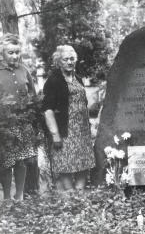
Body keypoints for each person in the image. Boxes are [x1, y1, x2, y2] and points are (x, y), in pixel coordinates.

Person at [0, 34, 39, 200]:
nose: (15, 56)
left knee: (21, 161)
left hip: (23, 122)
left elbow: (33, 95)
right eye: (10, 52)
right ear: (2, 53)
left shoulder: (24, 69)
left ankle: (19, 197)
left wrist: (34, 120)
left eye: (17, 52)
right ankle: (6, 198)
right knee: (6, 163)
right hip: (3, 124)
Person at [42, 45, 95, 190]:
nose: (70, 62)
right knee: (65, 166)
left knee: (83, 165)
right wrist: (55, 135)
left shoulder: (77, 78)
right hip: (65, 131)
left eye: (72, 59)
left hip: (82, 132)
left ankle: (79, 194)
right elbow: (47, 110)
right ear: (59, 62)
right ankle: (70, 198)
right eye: (66, 59)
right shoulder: (53, 81)